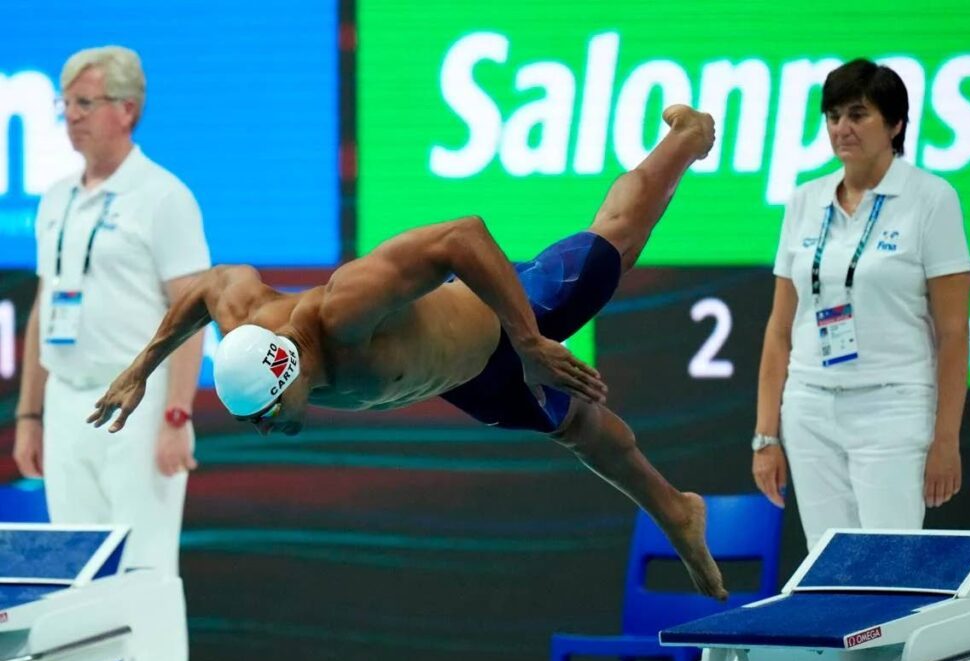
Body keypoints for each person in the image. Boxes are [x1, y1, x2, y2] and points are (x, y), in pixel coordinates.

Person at [88, 104, 728, 600]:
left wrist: (531, 342)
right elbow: (208, 286)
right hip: (464, 380)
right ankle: (678, 511)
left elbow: (462, 235)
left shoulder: (342, 310)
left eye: (266, 415)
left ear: (287, 377)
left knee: (614, 238)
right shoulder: (247, 326)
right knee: (579, 430)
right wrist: (140, 368)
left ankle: (689, 135)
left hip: (508, 321)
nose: (266, 431)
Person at [11, 46, 208, 661]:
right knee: (75, 573)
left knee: (146, 568)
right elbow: (46, 304)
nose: (71, 116)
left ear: (128, 110)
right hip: (67, 402)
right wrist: (30, 414)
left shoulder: (163, 196)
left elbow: (191, 311)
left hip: (139, 405)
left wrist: (178, 414)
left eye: (85, 104)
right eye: (65, 103)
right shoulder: (55, 198)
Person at [751, 58, 970, 551]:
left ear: (895, 125)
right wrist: (766, 436)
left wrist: (946, 439)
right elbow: (779, 328)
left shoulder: (932, 199)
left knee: (888, 569)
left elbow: (954, 332)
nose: (841, 129)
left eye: (857, 115)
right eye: (833, 117)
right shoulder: (804, 200)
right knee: (831, 570)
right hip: (809, 406)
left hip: (893, 407)